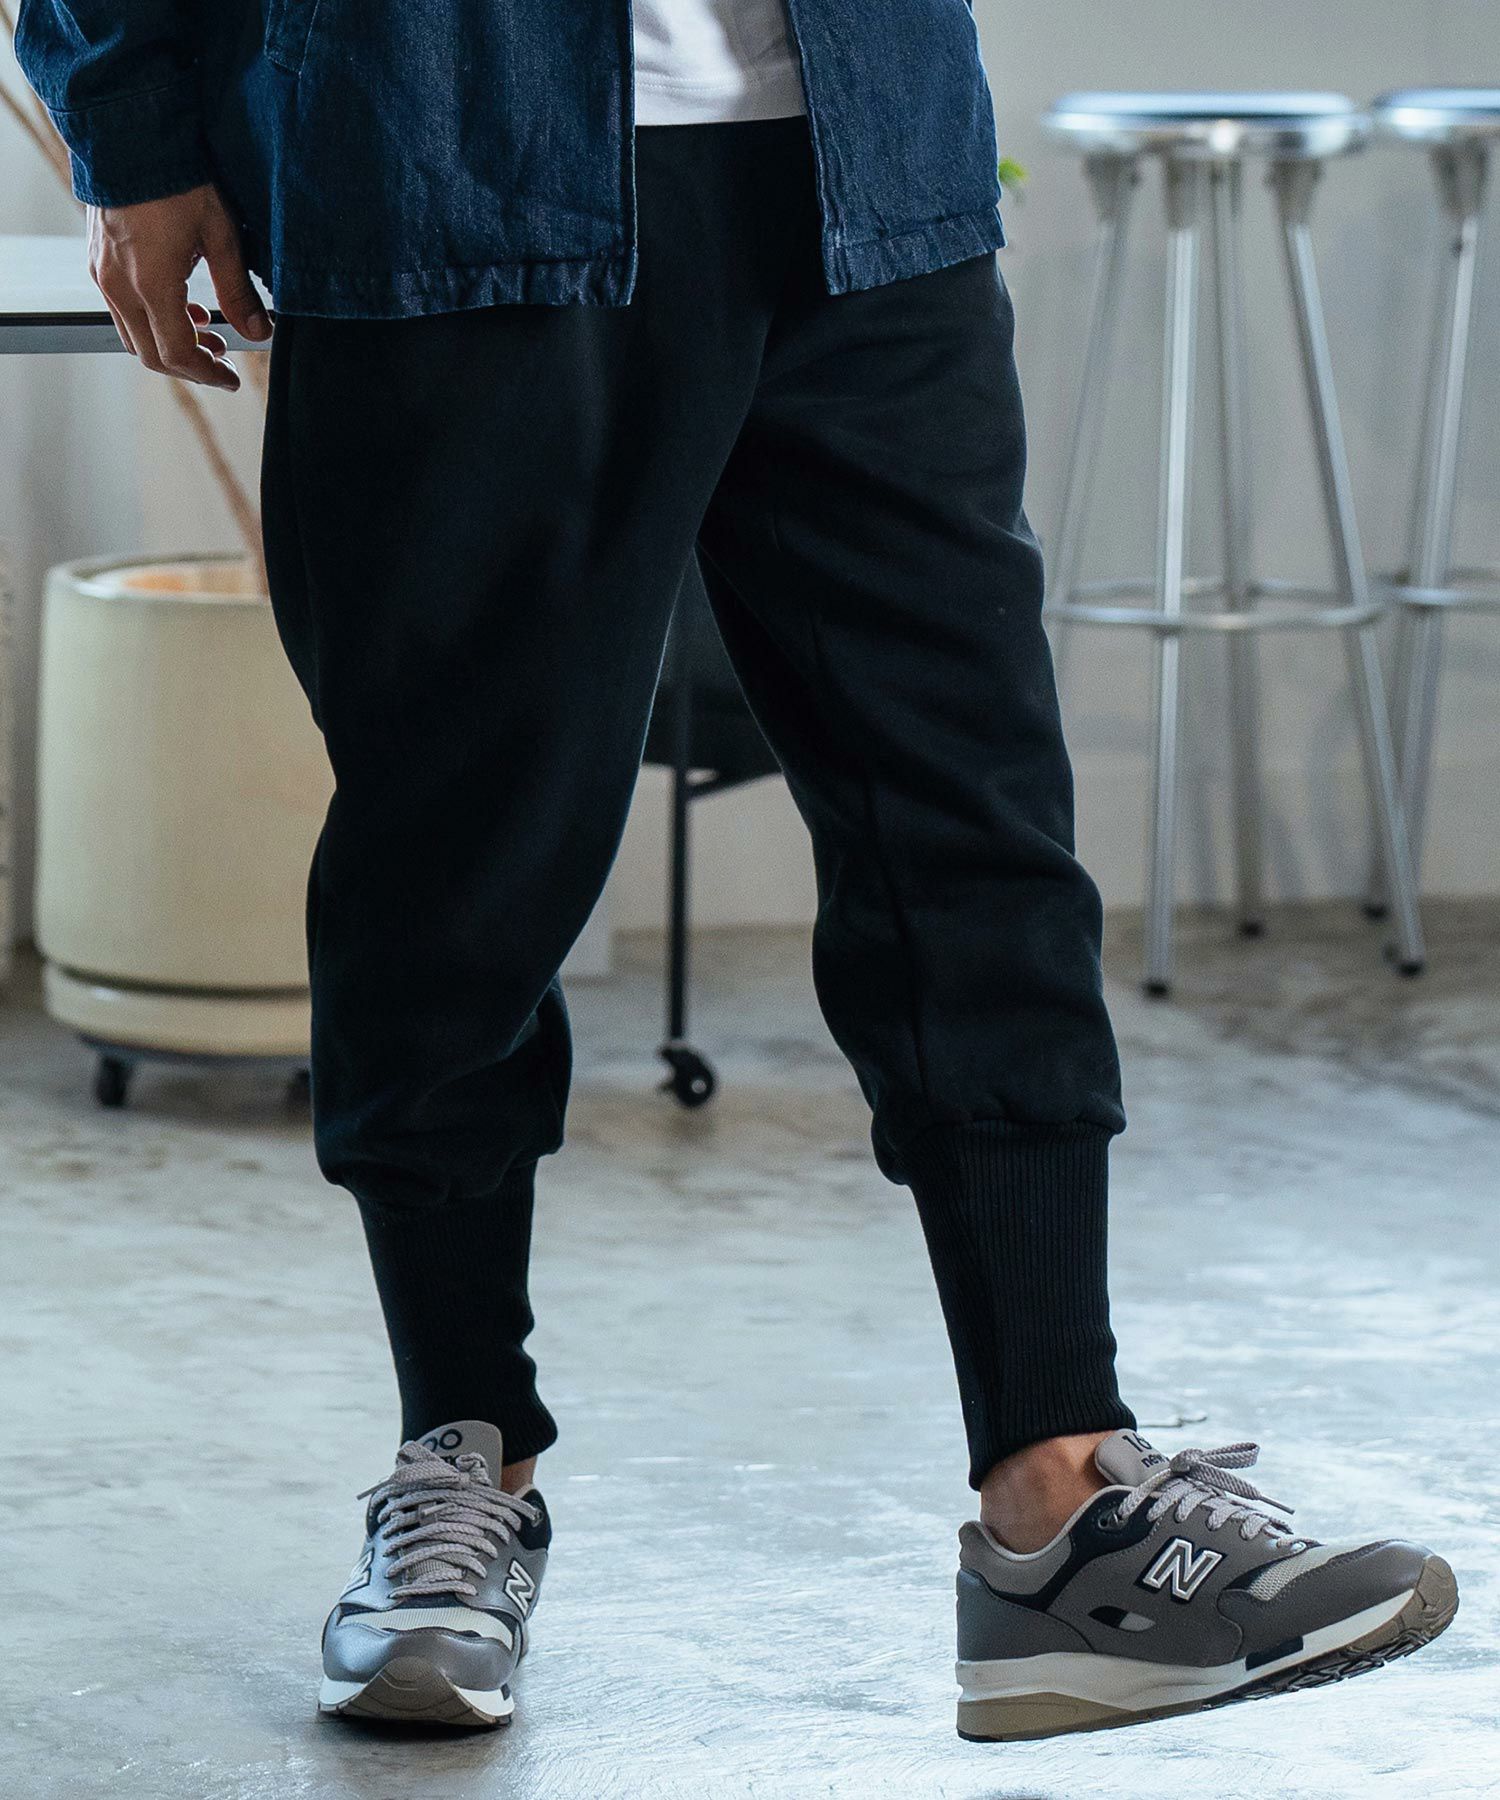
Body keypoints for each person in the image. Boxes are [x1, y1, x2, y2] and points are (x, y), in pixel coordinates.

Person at [18, 0, 1457, 1742]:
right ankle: (461, 1463)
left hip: (871, 161)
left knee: (971, 821)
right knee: (457, 856)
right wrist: (134, 127)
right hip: (449, 167)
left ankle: (1059, 1496)